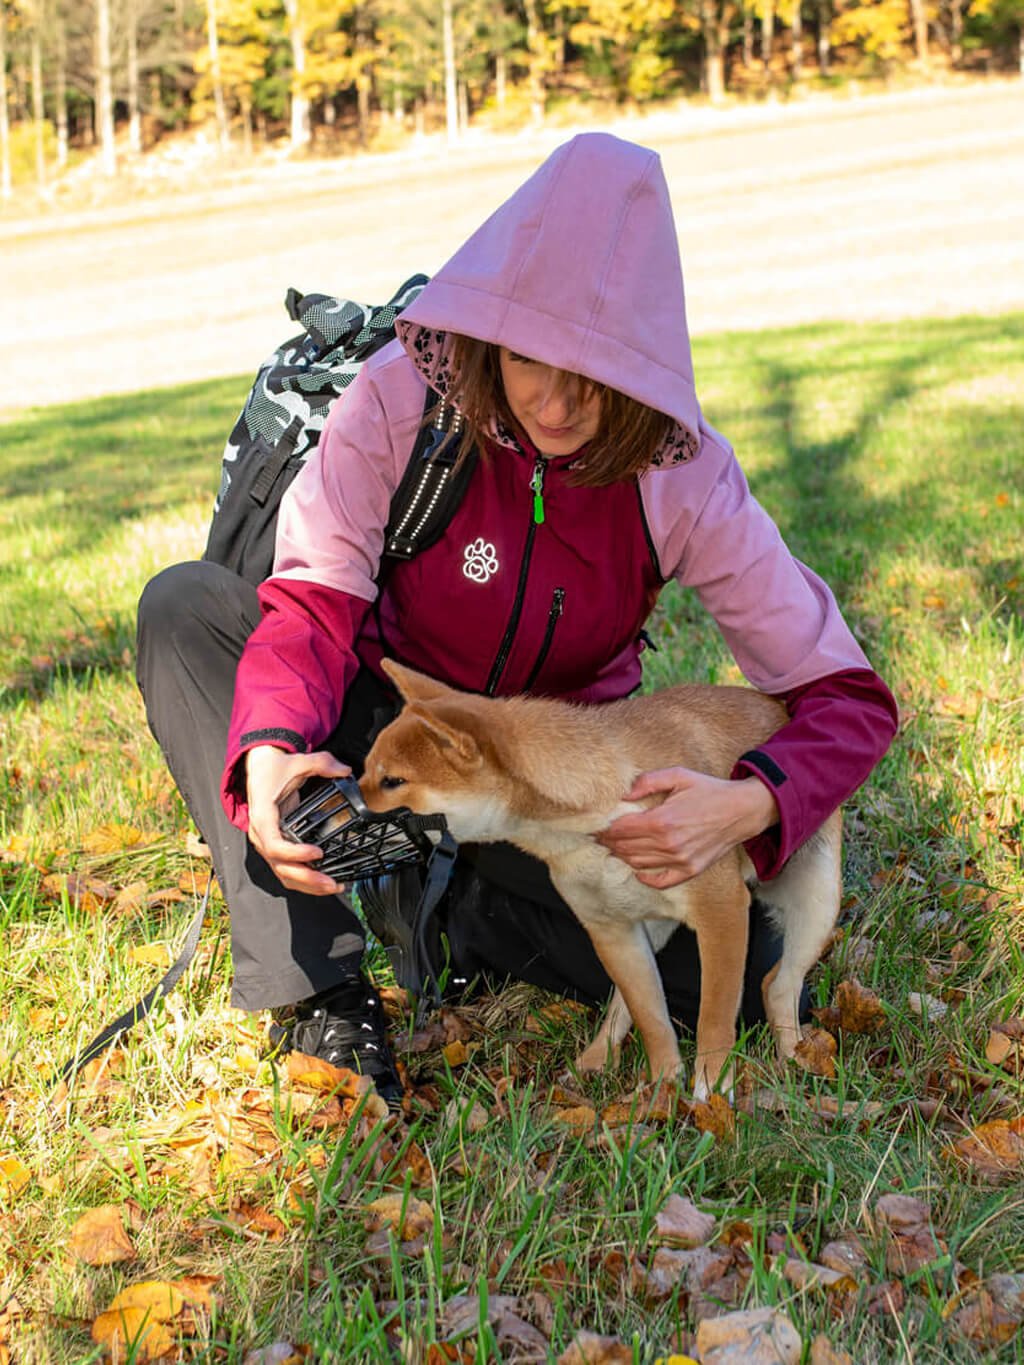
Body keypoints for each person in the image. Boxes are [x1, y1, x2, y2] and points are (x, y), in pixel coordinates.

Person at [136, 132, 898, 1104]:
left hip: (553, 769)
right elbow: (316, 602)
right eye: (530, 354)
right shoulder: (404, 398)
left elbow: (845, 698)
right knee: (185, 610)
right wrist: (276, 747)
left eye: (597, 368)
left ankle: (452, 896)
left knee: (737, 979)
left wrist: (751, 801)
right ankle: (321, 992)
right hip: (391, 717)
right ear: (488, 327)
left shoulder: (680, 476)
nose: (554, 397)